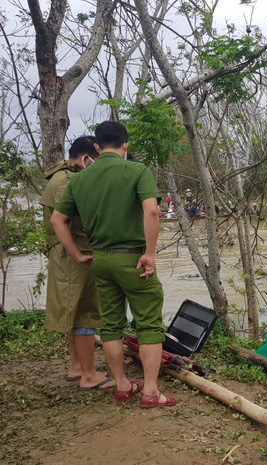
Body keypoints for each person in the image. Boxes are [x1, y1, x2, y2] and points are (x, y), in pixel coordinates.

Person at [51, 121, 177, 408]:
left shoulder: (80, 178)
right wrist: (151, 254)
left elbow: (57, 220)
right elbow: (152, 212)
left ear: (96, 147)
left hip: (101, 260)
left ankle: (122, 385)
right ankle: (151, 392)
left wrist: (77, 255)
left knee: (110, 326)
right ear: (126, 145)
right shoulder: (136, 170)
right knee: (149, 326)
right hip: (133, 259)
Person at [41, 136, 113, 390]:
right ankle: (89, 375)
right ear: (86, 158)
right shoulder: (68, 181)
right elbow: (75, 217)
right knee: (85, 314)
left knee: (75, 313)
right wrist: (78, 255)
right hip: (75, 254)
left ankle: (77, 367)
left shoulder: (61, 177)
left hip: (69, 254)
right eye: (96, 162)